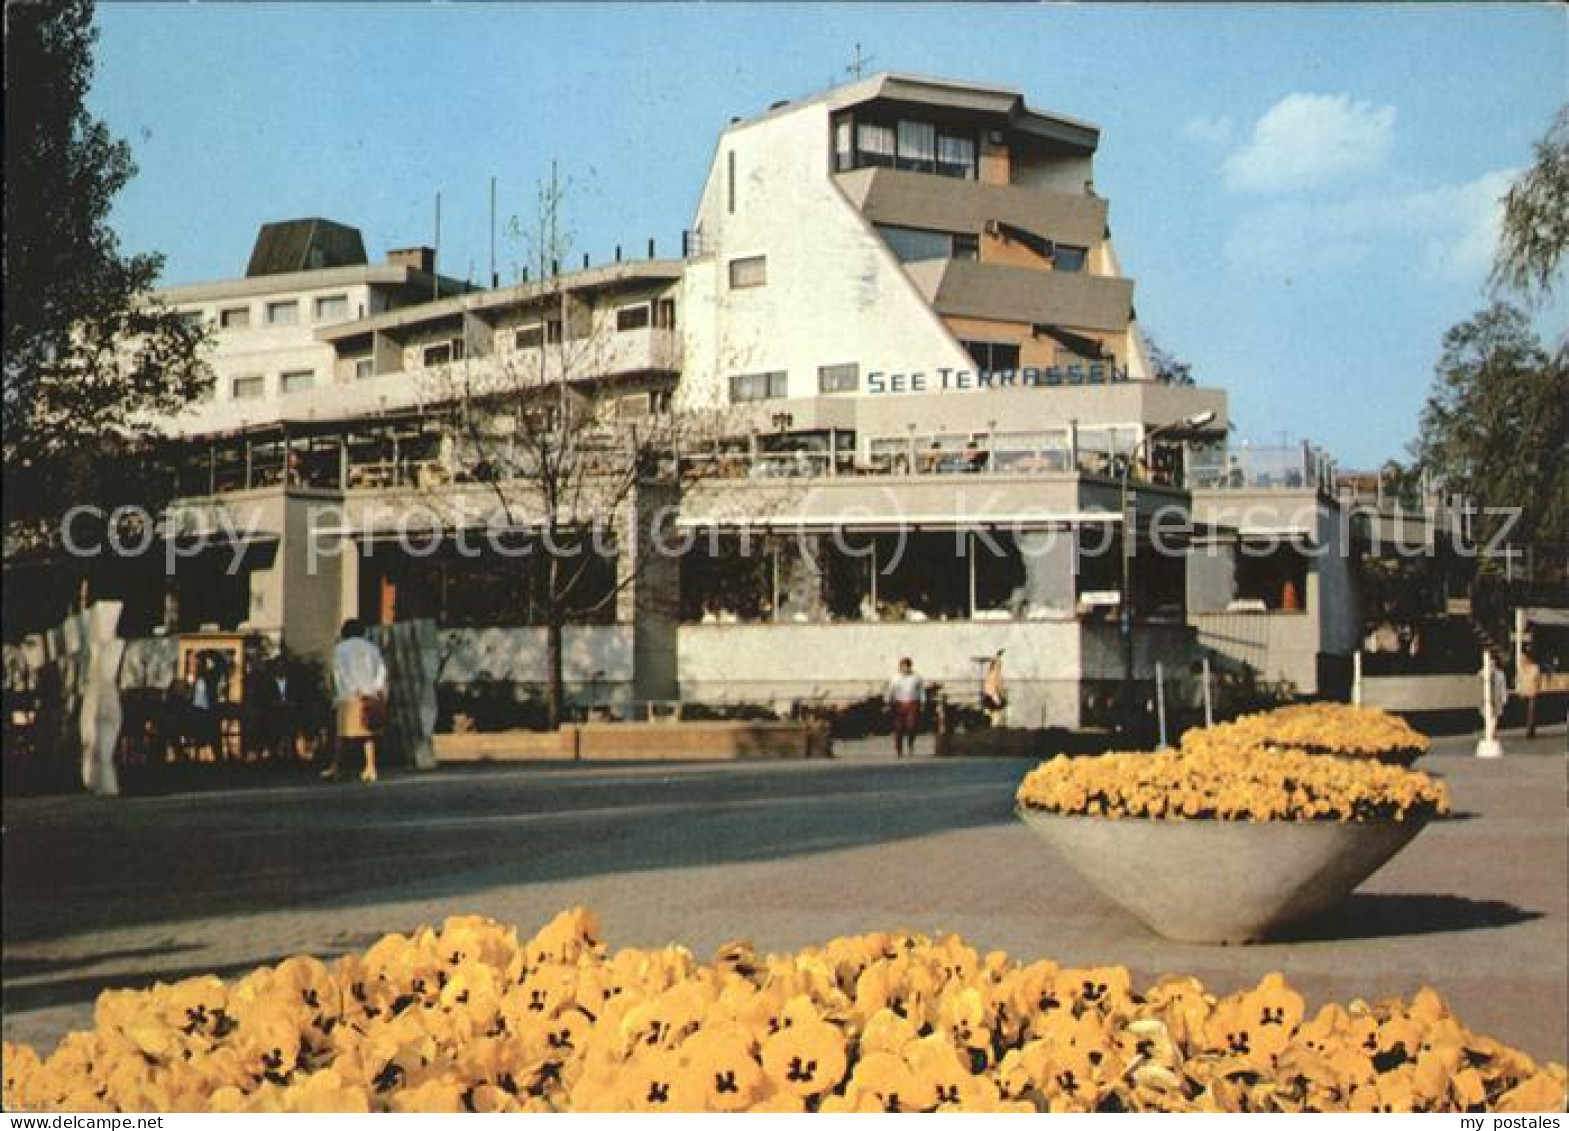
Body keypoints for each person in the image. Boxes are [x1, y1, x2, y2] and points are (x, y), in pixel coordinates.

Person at [327, 619, 388, 783]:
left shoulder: (340, 649)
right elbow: (382, 670)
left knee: (342, 735)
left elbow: (340, 672)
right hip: (370, 695)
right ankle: (371, 767)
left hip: (349, 696)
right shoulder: (372, 648)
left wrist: (354, 689)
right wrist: (375, 689)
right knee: (368, 733)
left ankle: (337, 768)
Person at [886, 656, 925, 758]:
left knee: (912, 726)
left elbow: (921, 691)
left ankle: (910, 744)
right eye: (902, 667)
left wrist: (923, 703)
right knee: (898, 728)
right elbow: (890, 691)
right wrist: (887, 702)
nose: (904, 669)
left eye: (906, 667)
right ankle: (899, 749)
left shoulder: (917, 678)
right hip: (899, 704)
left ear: (910, 667)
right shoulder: (895, 678)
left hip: (912, 703)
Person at [1518, 648, 1542, 739]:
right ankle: (1530, 729)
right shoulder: (1521, 669)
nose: (1522, 660)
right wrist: (1520, 690)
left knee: (1531, 712)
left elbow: (1537, 680)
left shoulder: (1535, 668)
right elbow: (1519, 680)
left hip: (1532, 692)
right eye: (1521, 658)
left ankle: (1530, 730)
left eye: (1523, 658)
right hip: (1524, 692)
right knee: (1527, 712)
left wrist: (1536, 689)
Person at [982, 650, 1007, 726]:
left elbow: (998, 684)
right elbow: (995, 685)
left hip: (991, 695)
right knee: (995, 711)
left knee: (995, 712)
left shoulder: (993, 673)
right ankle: (993, 723)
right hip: (991, 695)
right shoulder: (993, 673)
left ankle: (994, 723)